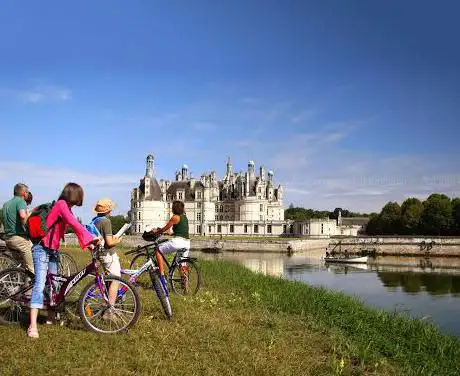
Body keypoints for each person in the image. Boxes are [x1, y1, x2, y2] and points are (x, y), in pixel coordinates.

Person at [28, 182, 101, 338]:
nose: (80, 200)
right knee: (40, 284)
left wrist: (89, 245)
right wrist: (91, 239)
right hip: (42, 248)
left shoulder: (66, 208)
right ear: (73, 195)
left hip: (53, 250)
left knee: (53, 285)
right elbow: (74, 223)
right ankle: (32, 325)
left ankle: (50, 318)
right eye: (79, 196)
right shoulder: (61, 205)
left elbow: (75, 226)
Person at [90, 198, 122, 307]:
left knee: (109, 279)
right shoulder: (106, 221)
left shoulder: (95, 220)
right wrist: (117, 240)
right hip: (108, 254)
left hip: (99, 253)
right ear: (108, 210)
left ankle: (109, 302)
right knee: (115, 280)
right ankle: (111, 308)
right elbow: (109, 243)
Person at [150, 200, 190, 274]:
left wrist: (156, 232)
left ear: (174, 209)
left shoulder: (175, 217)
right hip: (187, 243)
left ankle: (161, 274)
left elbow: (165, 228)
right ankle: (185, 284)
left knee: (158, 251)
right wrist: (170, 234)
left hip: (178, 243)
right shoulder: (185, 218)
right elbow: (181, 231)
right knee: (183, 265)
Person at [2, 183, 33, 273]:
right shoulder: (21, 202)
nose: (28, 194)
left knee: (19, 267)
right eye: (27, 192)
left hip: (8, 238)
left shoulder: (6, 204)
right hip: (19, 239)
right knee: (32, 268)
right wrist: (30, 214)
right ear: (23, 193)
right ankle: (35, 282)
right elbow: (23, 217)